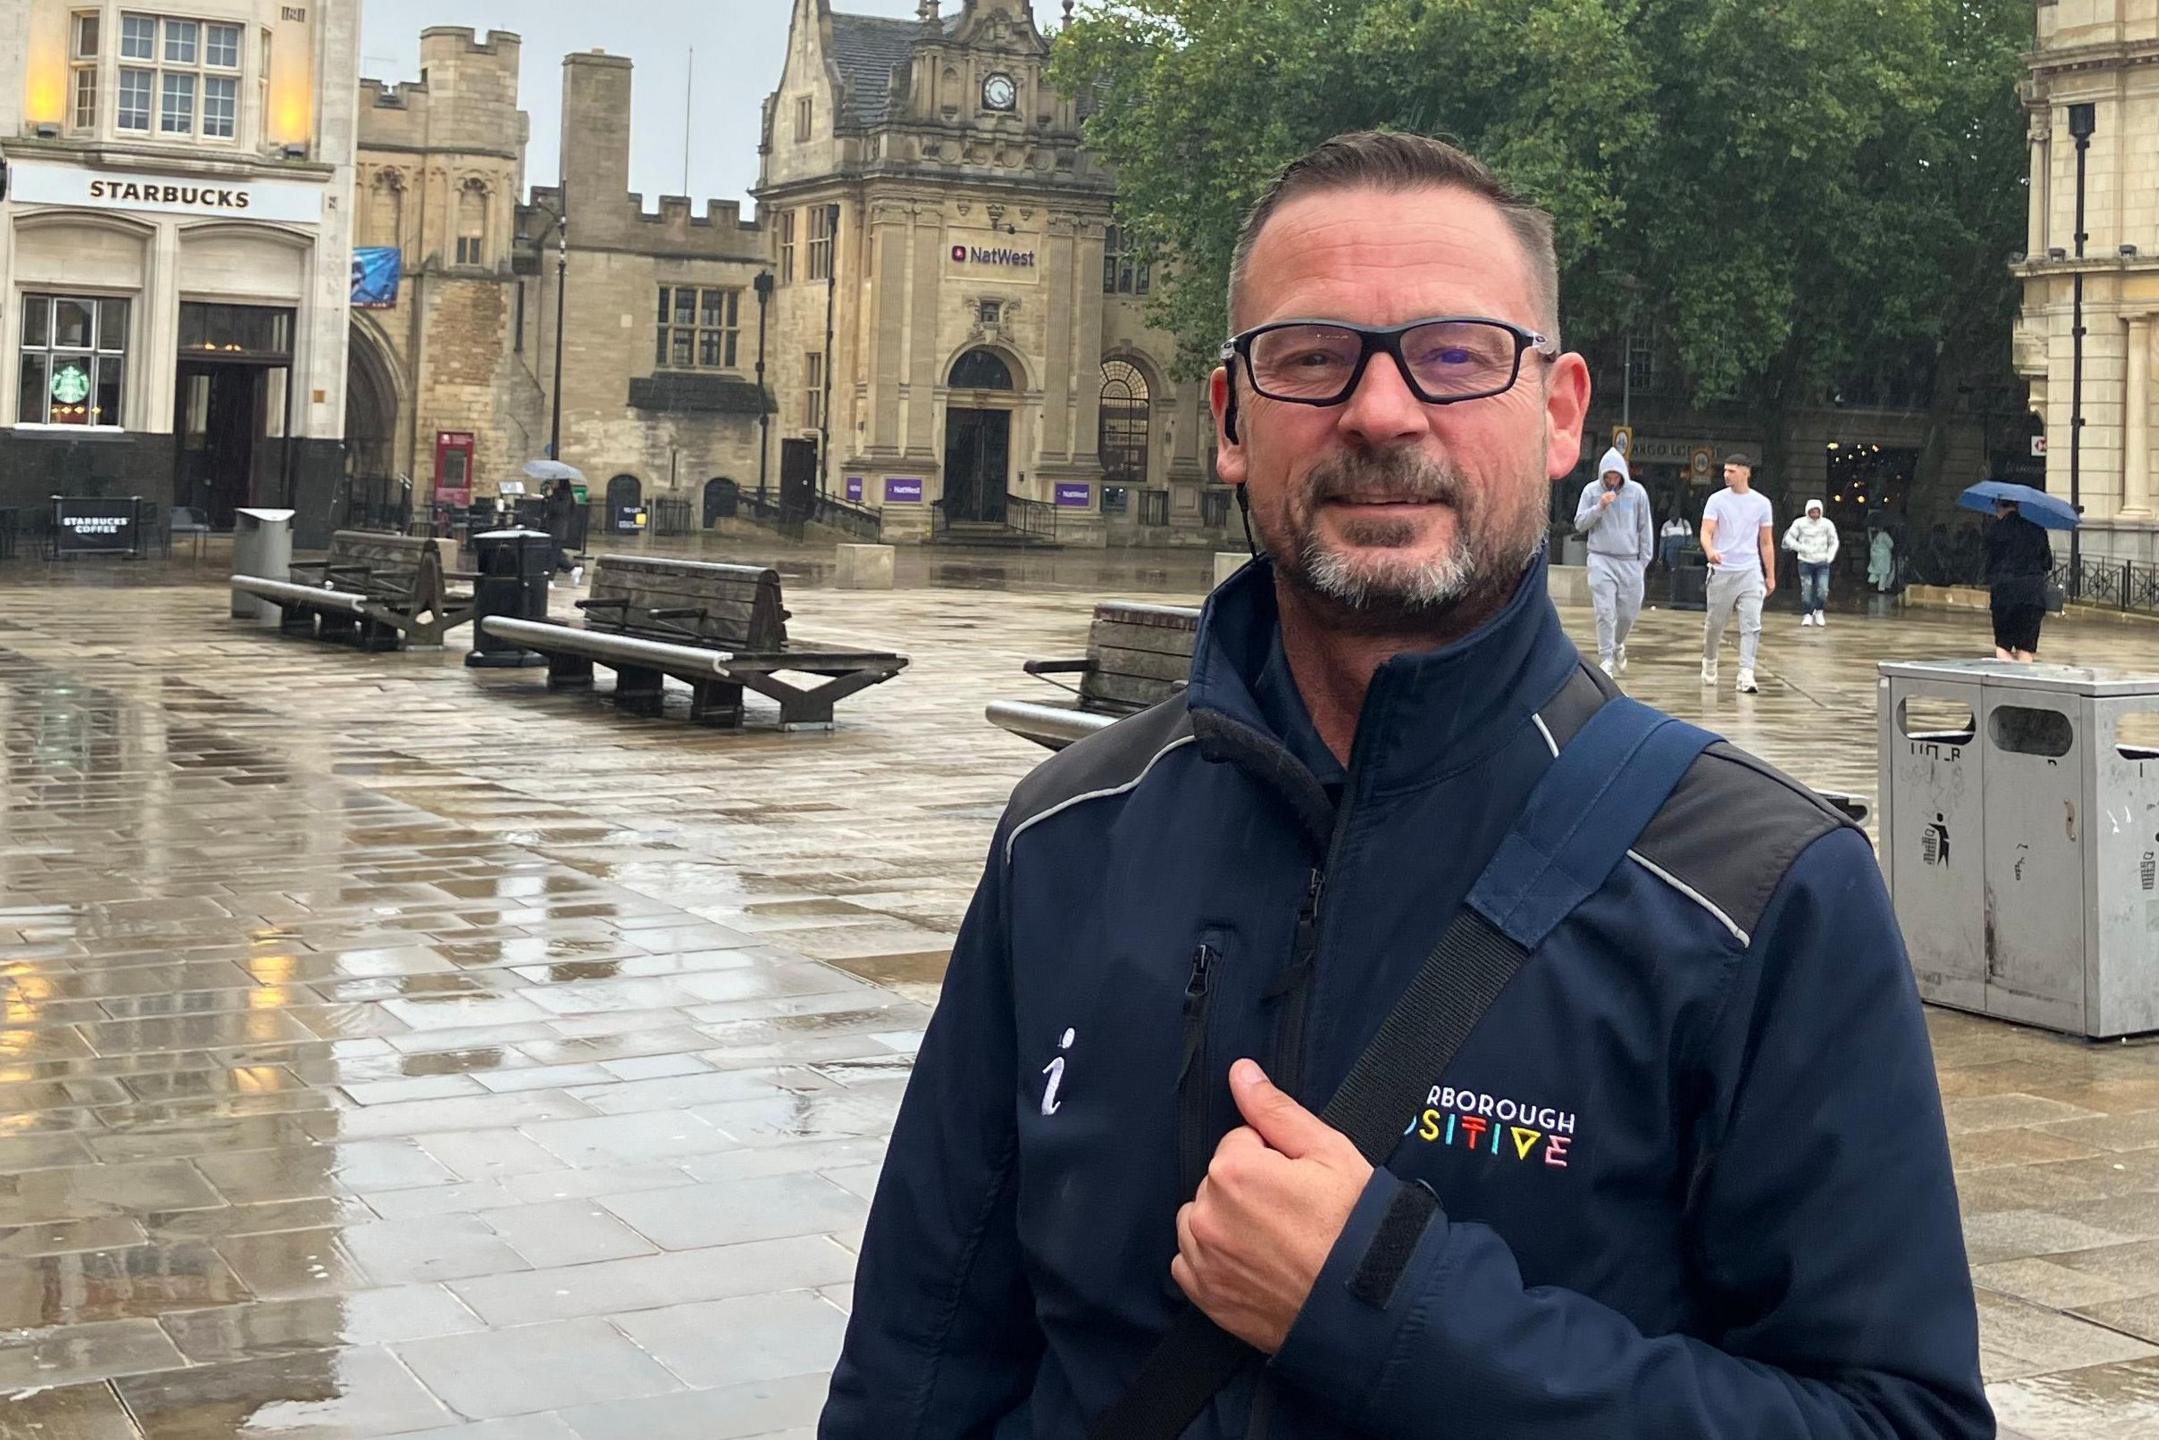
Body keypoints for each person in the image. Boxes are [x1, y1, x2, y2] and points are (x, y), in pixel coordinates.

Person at [820, 131, 1987, 1440]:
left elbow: (1904, 1419)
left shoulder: (1758, 894)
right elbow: (915, 1374)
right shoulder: (1067, 839)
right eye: (1313, 357)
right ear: (1228, 422)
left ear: (1557, 414)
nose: (1382, 411)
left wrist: (1394, 1301)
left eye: (1456, 354)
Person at [1568, 445, 1653, 674]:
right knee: (1605, 611)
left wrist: (1643, 561)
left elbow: (1645, 528)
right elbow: (1580, 523)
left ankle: (1617, 644)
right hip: (1600, 558)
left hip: (1629, 560)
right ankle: (1606, 657)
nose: (1613, 480)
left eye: (1616, 476)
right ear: (1602, 475)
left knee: (1627, 613)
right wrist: (1600, 507)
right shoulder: (1591, 492)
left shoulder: (1637, 493)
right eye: (1609, 476)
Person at [1698, 454, 1775, 692]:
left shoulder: (1762, 503)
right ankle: (1710, 662)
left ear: (1746, 472)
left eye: (1732, 471)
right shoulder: (1717, 500)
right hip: (1722, 570)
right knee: (1715, 624)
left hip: (1750, 570)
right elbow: (1706, 531)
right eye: (1725, 470)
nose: (1726, 474)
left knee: (1752, 623)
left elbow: (1766, 541)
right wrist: (1710, 551)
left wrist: (1770, 574)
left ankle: (1746, 672)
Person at [1987, 497, 2053, 661]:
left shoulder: (1995, 530)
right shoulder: (2037, 529)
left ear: (1999, 507)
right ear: (2018, 506)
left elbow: (1988, 560)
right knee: (2025, 648)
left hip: (2004, 593)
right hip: (2032, 594)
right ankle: (2024, 681)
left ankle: (2008, 681)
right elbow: (2047, 562)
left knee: (2003, 646)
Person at [1785, 498, 1841, 628]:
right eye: (1812, 512)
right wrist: (1801, 548)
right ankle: (1807, 614)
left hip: (1822, 562)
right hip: (1805, 561)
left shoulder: (1827, 524)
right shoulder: (1799, 523)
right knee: (1807, 589)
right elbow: (1788, 539)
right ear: (1807, 511)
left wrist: (1830, 556)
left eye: (1817, 512)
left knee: (1823, 589)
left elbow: (1834, 541)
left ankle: (1819, 611)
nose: (1815, 515)